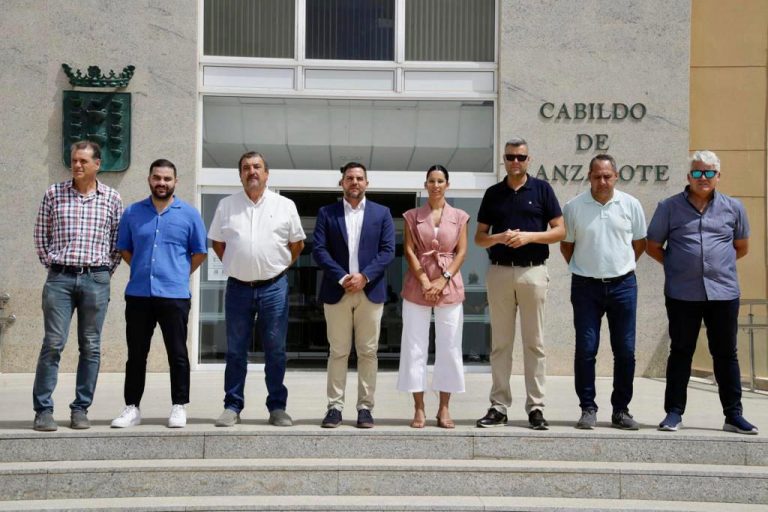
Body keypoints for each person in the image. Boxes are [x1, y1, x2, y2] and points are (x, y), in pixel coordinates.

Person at [647, 150, 758, 435]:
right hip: (682, 293)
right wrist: (678, 266)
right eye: (697, 172)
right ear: (688, 177)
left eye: (709, 172)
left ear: (718, 176)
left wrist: (715, 266)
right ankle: (673, 413)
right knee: (680, 352)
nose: (703, 178)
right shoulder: (669, 207)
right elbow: (653, 246)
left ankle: (733, 415)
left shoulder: (734, 208)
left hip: (723, 293)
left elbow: (741, 246)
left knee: (725, 354)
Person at [208, 151, 306, 427]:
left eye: (257, 167)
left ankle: (277, 407)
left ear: (266, 173)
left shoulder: (285, 205)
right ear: (240, 174)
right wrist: (237, 264)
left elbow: (297, 245)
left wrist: (278, 266)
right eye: (246, 168)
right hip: (238, 288)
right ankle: (232, 405)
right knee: (236, 350)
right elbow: (218, 243)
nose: (252, 172)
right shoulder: (226, 205)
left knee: (275, 348)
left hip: (273, 288)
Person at [32, 140, 123, 431]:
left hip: (96, 279)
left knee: (91, 346)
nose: (77, 165)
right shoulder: (54, 194)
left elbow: (117, 243)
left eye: (84, 161)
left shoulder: (111, 198)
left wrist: (103, 272)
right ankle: (43, 410)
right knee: (53, 344)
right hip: (59, 278)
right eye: (74, 160)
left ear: (98, 164)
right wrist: (53, 265)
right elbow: (40, 235)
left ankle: (80, 408)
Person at [475, 137, 565, 430]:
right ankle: (498, 406)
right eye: (511, 157)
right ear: (504, 159)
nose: (516, 162)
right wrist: (500, 237)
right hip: (500, 272)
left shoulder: (542, 190)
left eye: (521, 157)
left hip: (533, 273)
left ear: (529, 160)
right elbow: (479, 238)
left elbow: (560, 231)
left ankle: (536, 407)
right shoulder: (493, 194)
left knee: (534, 344)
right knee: (500, 344)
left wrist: (528, 236)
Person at [110, 159, 207, 429]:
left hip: (174, 295)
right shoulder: (132, 213)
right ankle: (132, 407)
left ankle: (179, 406)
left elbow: (199, 252)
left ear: (176, 182)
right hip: (139, 294)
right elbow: (125, 249)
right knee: (136, 353)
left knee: (177, 352)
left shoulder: (189, 215)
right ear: (149, 179)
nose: (161, 183)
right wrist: (144, 269)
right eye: (157, 178)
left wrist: (177, 273)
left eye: (167, 178)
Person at [560, 154, 647, 430]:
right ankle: (588, 408)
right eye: (597, 176)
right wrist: (588, 267)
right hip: (586, 287)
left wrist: (618, 266)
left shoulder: (631, 205)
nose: (602, 181)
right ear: (589, 177)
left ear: (616, 176)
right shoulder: (573, 207)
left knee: (626, 351)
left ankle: (621, 410)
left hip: (623, 285)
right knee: (586, 350)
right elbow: (567, 246)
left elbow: (640, 244)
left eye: (607, 176)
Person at [312, 162, 395, 428]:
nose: (355, 182)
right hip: (337, 291)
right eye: (349, 178)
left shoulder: (382, 213)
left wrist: (364, 276)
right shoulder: (327, 213)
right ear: (342, 183)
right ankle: (334, 407)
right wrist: (343, 277)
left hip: (370, 291)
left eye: (359, 178)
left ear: (367, 183)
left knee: (368, 352)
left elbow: (387, 251)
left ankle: (365, 408)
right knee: (338, 351)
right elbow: (319, 250)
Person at [397, 165, 469, 429]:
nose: (436, 185)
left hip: (449, 286)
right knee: (415, 347)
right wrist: (426, 280)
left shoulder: (460, 216)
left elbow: (461, 252)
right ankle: (418, 407)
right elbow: (409, 249)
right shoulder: (412, 216)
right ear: (425, 184)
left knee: (449, 346)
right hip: (418, 285)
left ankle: (444, 408)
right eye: (431, 181)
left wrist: (443, 279)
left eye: (440, 181)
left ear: (447, 184)